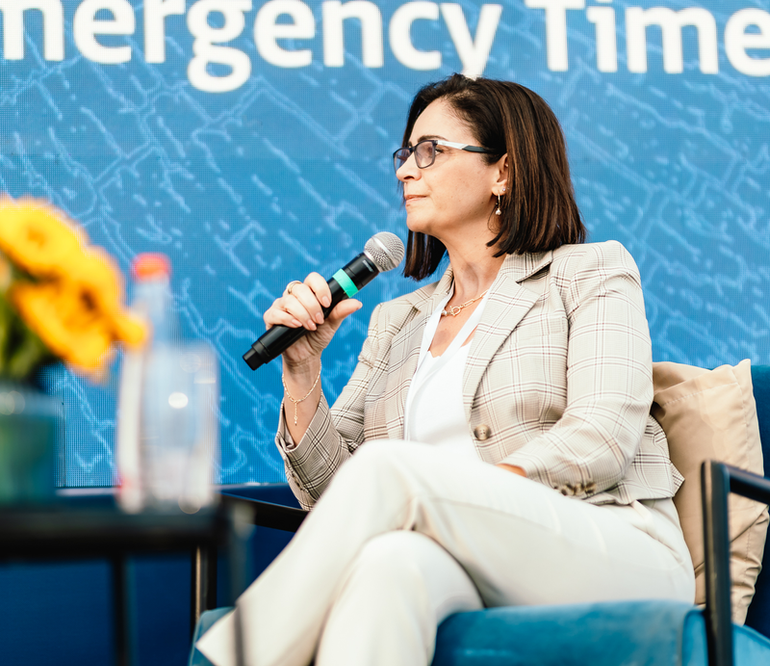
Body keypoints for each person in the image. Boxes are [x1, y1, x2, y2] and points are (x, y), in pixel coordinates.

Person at [195, 74, 695, 666]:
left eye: (429, 151)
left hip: (612, 547)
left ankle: (223, 660)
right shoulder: (397, 320)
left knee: (395, 473)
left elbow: (602, 436)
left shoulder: (589, 273)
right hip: (458, 556)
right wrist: (302, 373)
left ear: (502, 172)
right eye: (405, 154)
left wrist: (464, 493)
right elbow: (338, 499)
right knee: (388, 565)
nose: (406, 170)